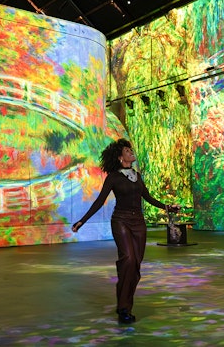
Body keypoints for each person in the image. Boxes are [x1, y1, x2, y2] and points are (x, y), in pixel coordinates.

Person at [72, 138, 178, 324]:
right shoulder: (113, 177)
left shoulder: (137, 175)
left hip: (139, 223)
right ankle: (123, 308)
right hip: (121, 221)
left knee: (134, 265)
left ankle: (125, 303)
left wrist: (167, 207)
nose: (131, 152)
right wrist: (83, 220)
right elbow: (99, 201)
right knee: (128, 259)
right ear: (120, 157)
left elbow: (148, 198)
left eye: (130, 150)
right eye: (127, 151)